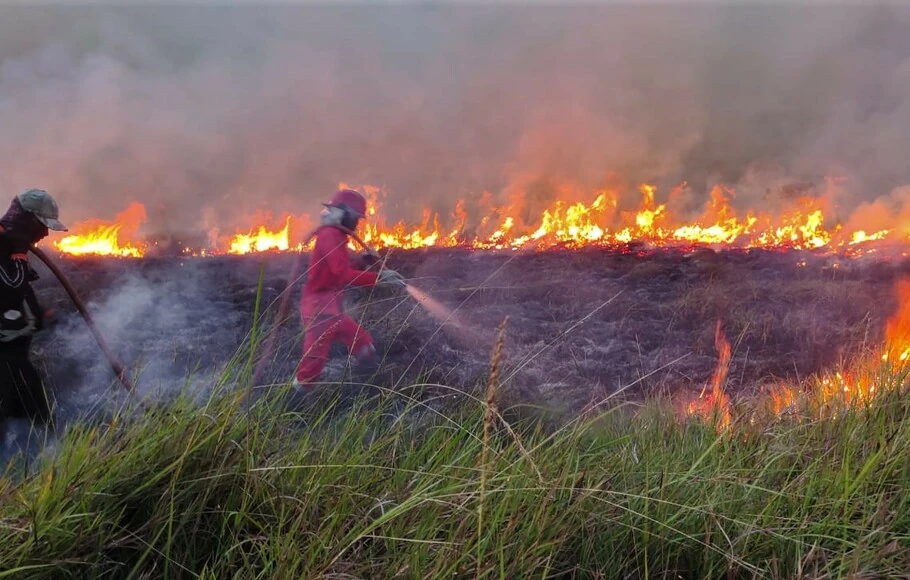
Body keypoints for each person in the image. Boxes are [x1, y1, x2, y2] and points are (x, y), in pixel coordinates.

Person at [294, 188, 405, 387]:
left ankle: (366, 387)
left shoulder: (336, 235)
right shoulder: (330, 235)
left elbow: (340, 268)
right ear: (345, 213)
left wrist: (364, 261)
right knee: (311, 368)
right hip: (320, 312)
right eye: (356, 218)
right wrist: (379, 279)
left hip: (331, 311)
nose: (357, 223)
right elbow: (342, 274)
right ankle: (293, 404)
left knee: (363, 343)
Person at [0, 189, 67, 434]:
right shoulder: (7, 247)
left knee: (39, 419)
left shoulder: (10, 246)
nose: (45, 233)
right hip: (3, 357)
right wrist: (18, 254)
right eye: (42, 225)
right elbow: (10, 287)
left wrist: (41, 314)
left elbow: (17, 297)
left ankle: (48, 466)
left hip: (16, 357)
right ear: (26, 220)